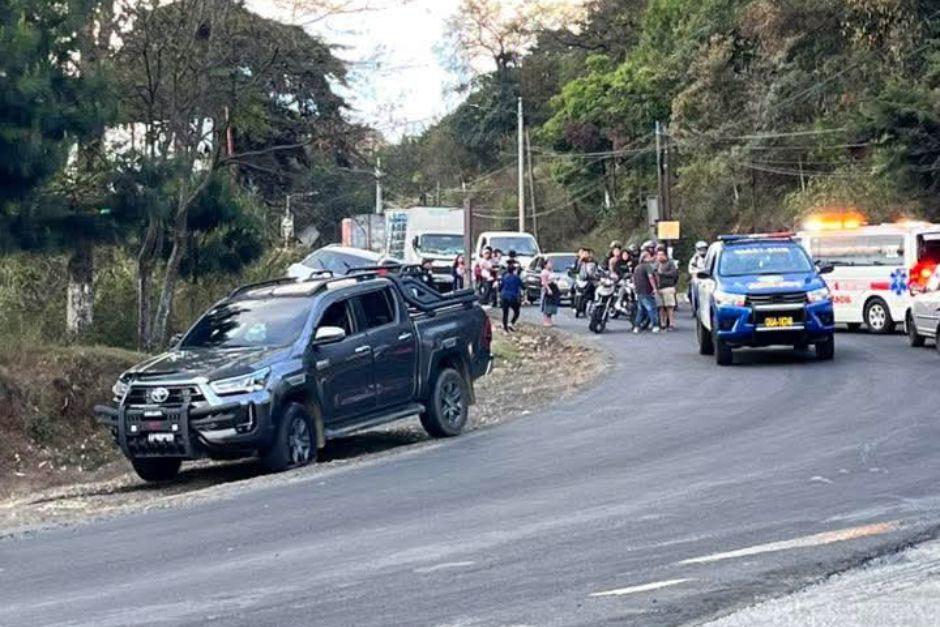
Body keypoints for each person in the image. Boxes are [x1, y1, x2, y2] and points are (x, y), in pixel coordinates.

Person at [633, 252, 660, 333]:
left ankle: (637, 326)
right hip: (646, 290)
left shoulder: (637, 267)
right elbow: (651, 277)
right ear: (644, 258)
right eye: (648, 256)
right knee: (651, 308)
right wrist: (655, 288)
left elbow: (634, 279)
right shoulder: (648, 266)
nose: (650, 257)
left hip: (639, 291)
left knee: (640, 310)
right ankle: (655, 325)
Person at [655, 248, 679, 330]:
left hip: (668, 287)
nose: (660, 257)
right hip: (659, 288)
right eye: (658, 255)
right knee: (661, 307)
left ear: (665, 255)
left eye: (661, 255)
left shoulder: (670, 263)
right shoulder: (656, 264)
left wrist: (662, 274)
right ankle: (663, 323)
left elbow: (674, 274)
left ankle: (671, 323)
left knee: (669, 307)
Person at [499, 265, 524, 331]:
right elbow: (523, 286)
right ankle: (511, 323)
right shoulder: (517, 278)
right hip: (513, 297)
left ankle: (505, 328)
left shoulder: (504, 277)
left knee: (505, 313)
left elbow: (500, 287)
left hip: (504, 296)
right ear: (514, 270)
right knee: (516, 311)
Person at [540, 258, 558, 326]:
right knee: (546, 304)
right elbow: (544, 282)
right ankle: (545, 321)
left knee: (551, 305)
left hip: (553, 288)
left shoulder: (551, 271)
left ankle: (549, 320)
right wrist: (548, 289)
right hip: (547, 289)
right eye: (549, 263)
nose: (551, 264)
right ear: (545, 265)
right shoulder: (544, 272)